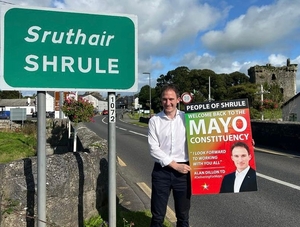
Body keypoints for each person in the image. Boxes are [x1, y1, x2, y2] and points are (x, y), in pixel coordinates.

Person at [148, 84, 191, 227]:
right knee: (157, 216)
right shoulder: (155, 121)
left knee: (183, 217)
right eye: (164, 99)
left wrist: (243, 140)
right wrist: (175, 165)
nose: (168, 103)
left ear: (178, 99)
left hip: (183, 173)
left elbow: (211, 136)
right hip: (162, 172)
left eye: (171, 99)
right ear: (161, 101)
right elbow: (154, 149)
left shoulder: (188, 119)